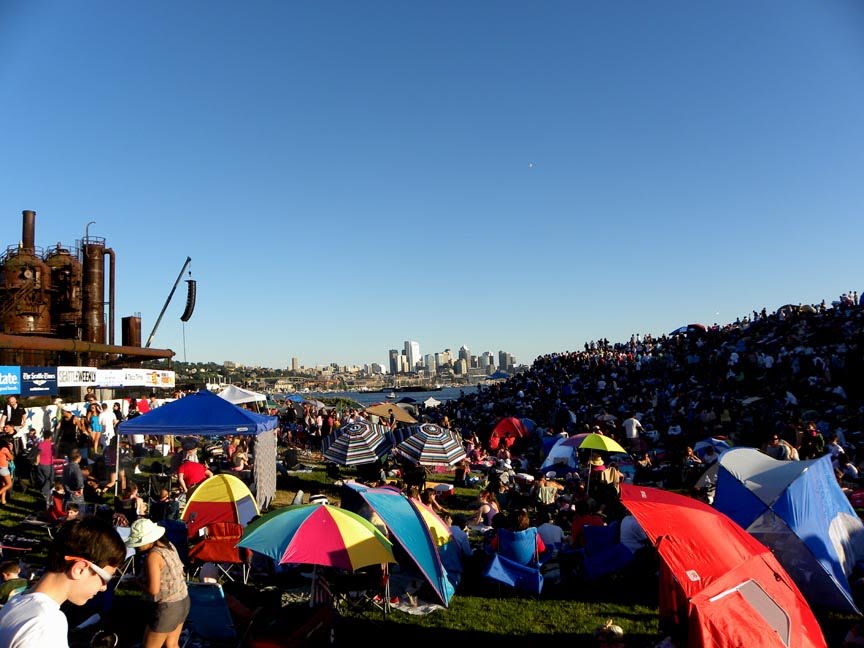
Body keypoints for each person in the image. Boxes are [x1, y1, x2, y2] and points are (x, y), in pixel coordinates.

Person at [0, 518, 126, 648]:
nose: (104, 588)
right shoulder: (46, 624)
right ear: (80, 569)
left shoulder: (18, 600)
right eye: (105, 579)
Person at [125, 518, 190, 648]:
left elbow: (153, 589)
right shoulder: (169, 545)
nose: (137, 547)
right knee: (171, 644)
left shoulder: (153, 556)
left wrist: (135, 582)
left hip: (167, 608)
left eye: (139, 543)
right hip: (183, 601)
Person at [0, 439, 14, 506]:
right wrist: (10, 450)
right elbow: (11, 458)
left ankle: (3, 501)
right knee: (9, 484)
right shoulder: (4, 449)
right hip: (3, 468)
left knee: (3, 484)